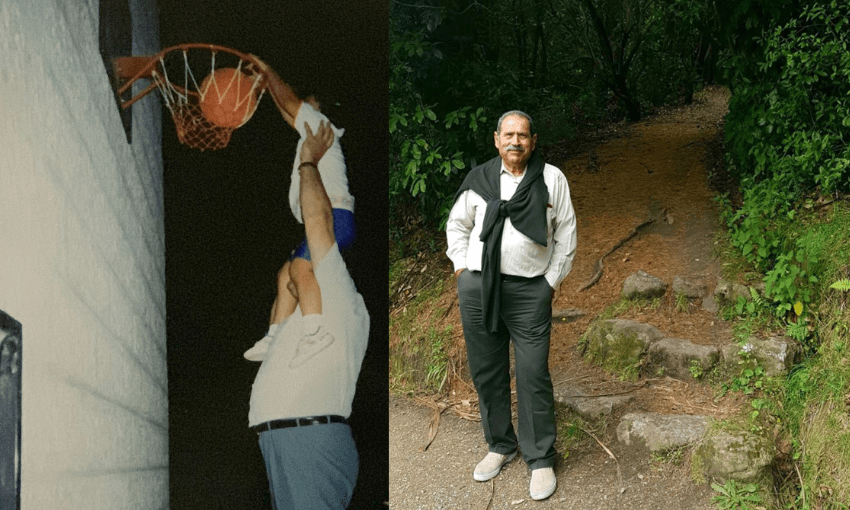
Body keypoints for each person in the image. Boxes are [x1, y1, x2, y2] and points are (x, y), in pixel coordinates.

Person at [446, 110, 577, 501]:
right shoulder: (480, 180)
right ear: (496, 140)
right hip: (478, 289)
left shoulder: (552, 179)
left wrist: (550, 283)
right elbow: (458, 225)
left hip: (529, 293)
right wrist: (460, 269)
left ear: (533, 141)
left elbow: (566, 234)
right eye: (508, 134)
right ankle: (500, 445)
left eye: (522, 135)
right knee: (487, 370)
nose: (515, 141)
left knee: (533, 373)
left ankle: (539, 459)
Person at [247, 116, 370, 509]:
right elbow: (285, 281)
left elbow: (318, 220)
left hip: (308, 441)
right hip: (284, 443)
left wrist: (308, 161)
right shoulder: (295, 318)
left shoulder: (335, 289)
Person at [243, 58, 356, 362]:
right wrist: (266, 86)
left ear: (318, 108)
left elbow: (290, 102)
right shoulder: (313, 131)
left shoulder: (322, 126)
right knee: (286, 275)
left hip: (334, 216)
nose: (305, 103)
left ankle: (315, 334)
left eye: (310, 101)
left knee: (300, 269)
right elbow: (286, 109)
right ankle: (274, 338)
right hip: (327, 218)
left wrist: (268, 71)